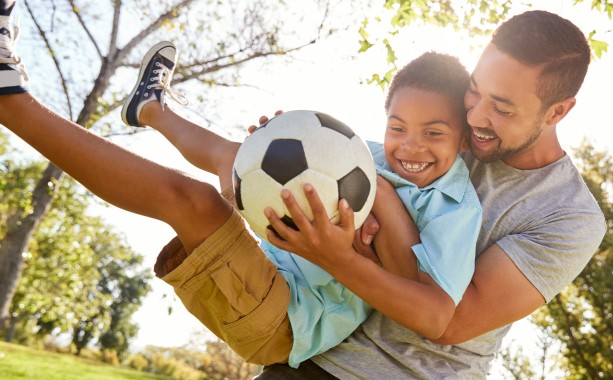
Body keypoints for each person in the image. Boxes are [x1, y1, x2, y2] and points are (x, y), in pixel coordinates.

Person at [0, 6, 483, 368]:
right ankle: (151, 109)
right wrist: (271, 151)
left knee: (194, 202)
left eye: (434, 134)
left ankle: (10, 99)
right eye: (398, 128)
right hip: (272, 267)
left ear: (463, 139)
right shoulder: (368, 154)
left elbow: (429, 306)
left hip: (287, 322)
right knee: (236, 158)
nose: (410, 147)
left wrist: (379, 197)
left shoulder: (455, 206)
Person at [256, 9, 607, 379]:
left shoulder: (569, 215)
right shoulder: (438, 131)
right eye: (475, 90)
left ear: (558, 111)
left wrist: (344, 254)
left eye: (501, 108)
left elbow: (451, 322)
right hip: (311, 356)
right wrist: (275, 150)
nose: (474, 117)